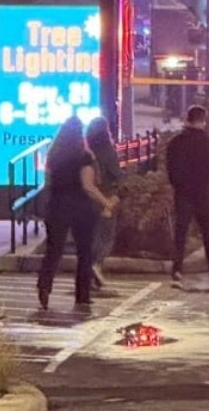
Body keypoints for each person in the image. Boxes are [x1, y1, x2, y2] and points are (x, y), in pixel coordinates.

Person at [37, 116, 119, 311]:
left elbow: (49, 182)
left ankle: (44, 286)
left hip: (56, 207)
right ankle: (82, 295)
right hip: (81, 208)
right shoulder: (84, 156)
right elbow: (88, 186)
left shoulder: (53, 156)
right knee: (85, 253)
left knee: (53, 251)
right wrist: (106, 202)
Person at [167, 105, 209, 289]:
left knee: (181, 233)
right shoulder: (204, 141)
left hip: (183, 193)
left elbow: (171, 168)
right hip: (202, 194)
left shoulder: (176, 142)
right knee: (208, 235)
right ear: (202, 120)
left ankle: (177, 270)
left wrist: (178, 185)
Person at [86, 117, 123, 292]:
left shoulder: (87, 152)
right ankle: (96, 266)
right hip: (106, 197)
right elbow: (117, 176)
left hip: (88, 200)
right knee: (106, 237)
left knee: (93, 237)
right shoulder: (108, 151)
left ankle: (91, 277)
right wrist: (113, 200)